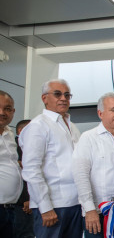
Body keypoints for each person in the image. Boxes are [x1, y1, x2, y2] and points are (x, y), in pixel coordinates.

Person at [20, 79, 83, 237]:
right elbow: (31, 170)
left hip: (75, 203)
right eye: (57, 94)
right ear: (44, 98)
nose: (63, 98)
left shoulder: (71, 125)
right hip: (52, 206)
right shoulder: (37, 126)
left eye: (67, 95)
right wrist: (45, 206)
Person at [73, 92, 114, 237]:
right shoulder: (88, 138)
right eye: (113, 110)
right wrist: (89, 209)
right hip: (97, 213)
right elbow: (81, 176)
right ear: (100, 113)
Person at [0, 90, 23, 238]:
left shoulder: (9, 134)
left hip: (10, 208)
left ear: (13, 111)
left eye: (7, 109)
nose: (2, 112)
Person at [14, 119, 34, 238]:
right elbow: (21, 174)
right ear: (21, 131)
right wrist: (26, 198)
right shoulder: (17, 147)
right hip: (21, 202)